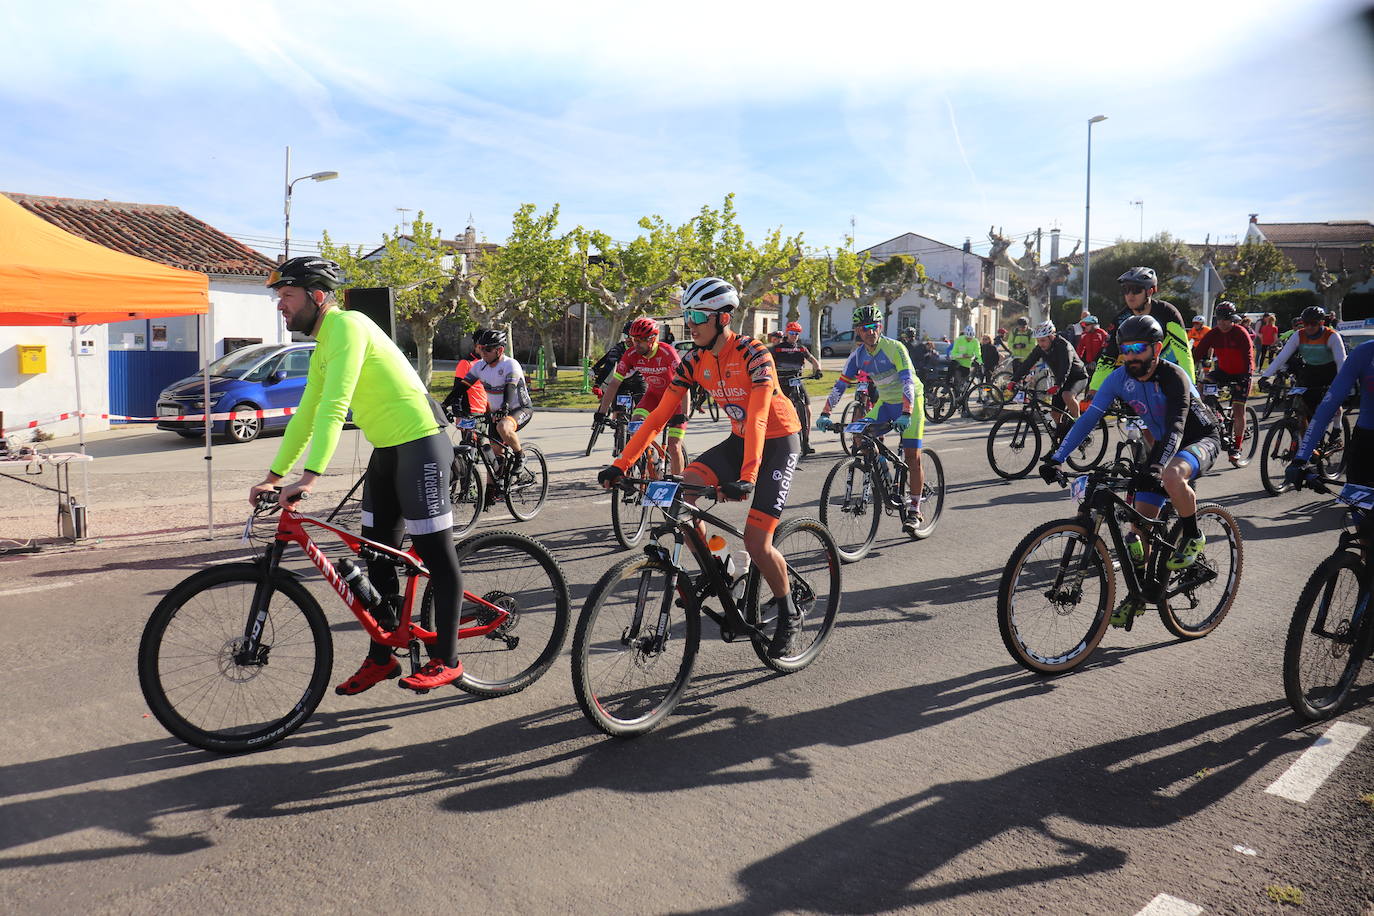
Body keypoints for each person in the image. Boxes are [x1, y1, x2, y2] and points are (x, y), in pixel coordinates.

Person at [250, 256, 467, 693]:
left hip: (422, 440)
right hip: (387, 449)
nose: (281, 307)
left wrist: (309, 477)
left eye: (287, 296)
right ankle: (382, 657)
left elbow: (335, 406)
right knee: (378, 555)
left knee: (434, 551)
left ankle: (447, 658)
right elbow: (306, 415)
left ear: (317, 296)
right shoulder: (323, 346)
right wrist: (273, 475)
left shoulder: (348, 326)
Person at [597, 278, 805, 658]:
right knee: (683, 494)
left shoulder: (755, 354)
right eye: (685, 315)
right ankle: (721, 565)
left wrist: (747, 477)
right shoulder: (694, 359)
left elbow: (759, 417)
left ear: (723, 318)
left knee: (758, 542)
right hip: (741, 439)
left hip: (777, 441)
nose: (689, 324)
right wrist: (620, 463)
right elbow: (658, 415)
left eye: (696, 316)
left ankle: (789, 614)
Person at [1040, 314, 1220, 626]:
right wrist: (1056, 457)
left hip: (1198, 438)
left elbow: (1177, 427)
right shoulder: (1119, 378)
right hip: (1163, 446)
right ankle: (1139, 595)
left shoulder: (1173, 376)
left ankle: (1193, 535)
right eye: (1126, 348)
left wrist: (1157, 465)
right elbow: (1088, 418)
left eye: (1139, 348)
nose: (1131, 355)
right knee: (1138, 530)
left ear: (1157, 348)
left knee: (1171, 475)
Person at [816, 304, 926, 535]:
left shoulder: (895, 348)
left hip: (911, 403)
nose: (870, 331)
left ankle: (915, 509)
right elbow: (840, 385)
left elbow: (907, 382)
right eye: (864, 328)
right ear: (857, 331)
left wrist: (906, 413)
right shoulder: (858, 355)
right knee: (859, 436)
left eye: (874, 326)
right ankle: (885, 479)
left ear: (880, 327)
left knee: (912, 457)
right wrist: (826, 413)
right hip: (885, 404)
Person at [593, 316, 687, 474]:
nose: (636, 343)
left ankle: (680, 488)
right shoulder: (631, 354)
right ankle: (653, 460)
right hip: (652, 397)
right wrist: (601, 412)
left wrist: (683, 413)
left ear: (653, 338)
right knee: (635, 428)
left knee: (674, 445)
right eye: (634, 339)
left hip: (674, 400)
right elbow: (615, 383)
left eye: (641, 340)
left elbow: (685, 382)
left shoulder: (667, 352)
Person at [447, 329, 534, 497]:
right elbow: (461, 387)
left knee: (503, 426)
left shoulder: (510, 364)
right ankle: (491, 491)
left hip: (518, 409)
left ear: (499, 350)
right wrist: (445, 404)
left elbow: (510, 387)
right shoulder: (480, 366)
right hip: (495, 413)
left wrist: (505, 407)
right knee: (494, 458)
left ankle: (520, 455)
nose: (482, 352)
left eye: (487, 349)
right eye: (481, 348)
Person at [1285, 339, 1374, 490]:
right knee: (1358, 506)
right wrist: (1301, 459)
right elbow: (1328, 406)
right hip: (1368, 439)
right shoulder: (1364, 352)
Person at [1090, 267, 1196, 393]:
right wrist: (1093, 390)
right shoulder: (1120, 320)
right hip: (1140, 369)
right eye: (1126, 290)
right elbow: (1107, 358)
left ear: (1150, 291)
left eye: (1136, 290)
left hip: (1169, 365)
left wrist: (1190, 387)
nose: (1130, 295)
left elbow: (1184, 352)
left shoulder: (1168, 313)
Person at [1260, 305, 1347, 423]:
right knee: (1305, 410)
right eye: (1306, 323)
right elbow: (1282, 357)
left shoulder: (1331, 336)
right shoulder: (1299, 335)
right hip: (1311, 370)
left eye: (1314, 324)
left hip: (1330, 370)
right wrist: (1265, 376)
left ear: (1321, 323)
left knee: (1333, 404)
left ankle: (1337, 428)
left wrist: (1340, 384)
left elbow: (1341, 361)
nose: (1309, 327)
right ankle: (1306, 438)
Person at [1192, 301, 1254, 465]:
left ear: (1233, 319)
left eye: (1225, 319)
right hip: (1224, 371)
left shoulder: (1241, 333)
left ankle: (1237, 447)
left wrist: (1245, 378)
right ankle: (1214, 414)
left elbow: (1249, 358)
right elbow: (1197, 353)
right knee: (1202, 385)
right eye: (1219, 319)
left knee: (1238, 408)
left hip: (1242, 373)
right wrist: (1187, 370)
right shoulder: (1214, 333)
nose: (1222, 323)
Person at [1011, 320, 1089, 433]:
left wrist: (1058, 385)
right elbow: (1027, 363)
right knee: (1055, 415)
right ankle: (1062, 435)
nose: (1040, 343)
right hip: (1061, 380)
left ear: (1051, 337)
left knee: (1067, 395)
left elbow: (1065, 366)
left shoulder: (1063, 346)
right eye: (1038, 340)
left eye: (1043, 340)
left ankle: (1079, 426)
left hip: (1078, 377)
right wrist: (1014, 380)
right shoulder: (1040, 348)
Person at [770, 321, 823, 455]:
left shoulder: (801, 348)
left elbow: (813, 360)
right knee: (779, 412)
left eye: (797, 334)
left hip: (797, 381)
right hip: (782, 382)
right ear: (787, 333)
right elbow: (766, 360)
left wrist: (818, 370)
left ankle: (806, 441)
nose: (794, 336)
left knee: (808, 410)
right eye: (792, 333)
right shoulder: (777, 348)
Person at [591, 322, 646, 405]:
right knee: (618, 409)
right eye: (625, 336)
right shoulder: (618, 348)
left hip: (639, 381)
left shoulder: (644, 348)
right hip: (622, 381)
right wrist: (597, 384)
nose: (628, 339)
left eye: (631, 337)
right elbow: (609, 364)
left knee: (642, 408)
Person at [449, 329, 489, 416]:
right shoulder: (466, 363)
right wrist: (458, 414)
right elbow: (457, 390)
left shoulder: (489, 363)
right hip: (470, 412)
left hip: (486, 412)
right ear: (477, 345)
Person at [949, 325, 982, 399]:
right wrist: (962, 355)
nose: (969, 340)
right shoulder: (959, 340)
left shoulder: (975, 341)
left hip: (967, 365)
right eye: (967, 338)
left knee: (965, 387)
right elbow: (953, 354)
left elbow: (978, 353)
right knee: (958, 383)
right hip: (958, 364)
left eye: (971, 338)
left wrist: (979, 361)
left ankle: (962, 403)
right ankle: (954, 397)